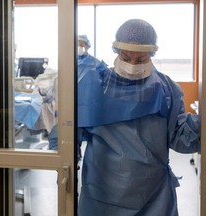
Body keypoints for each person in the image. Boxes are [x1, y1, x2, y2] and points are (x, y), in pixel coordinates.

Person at [77, 19, 200, 216]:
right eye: (126, 58)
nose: (132, 65)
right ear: (116, 52)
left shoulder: (166, 89)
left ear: (152, 56)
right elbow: (70, 128)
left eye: (141, 60)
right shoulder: (97, 86)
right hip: (102, 194)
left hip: (153, 197)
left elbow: (181, 138)